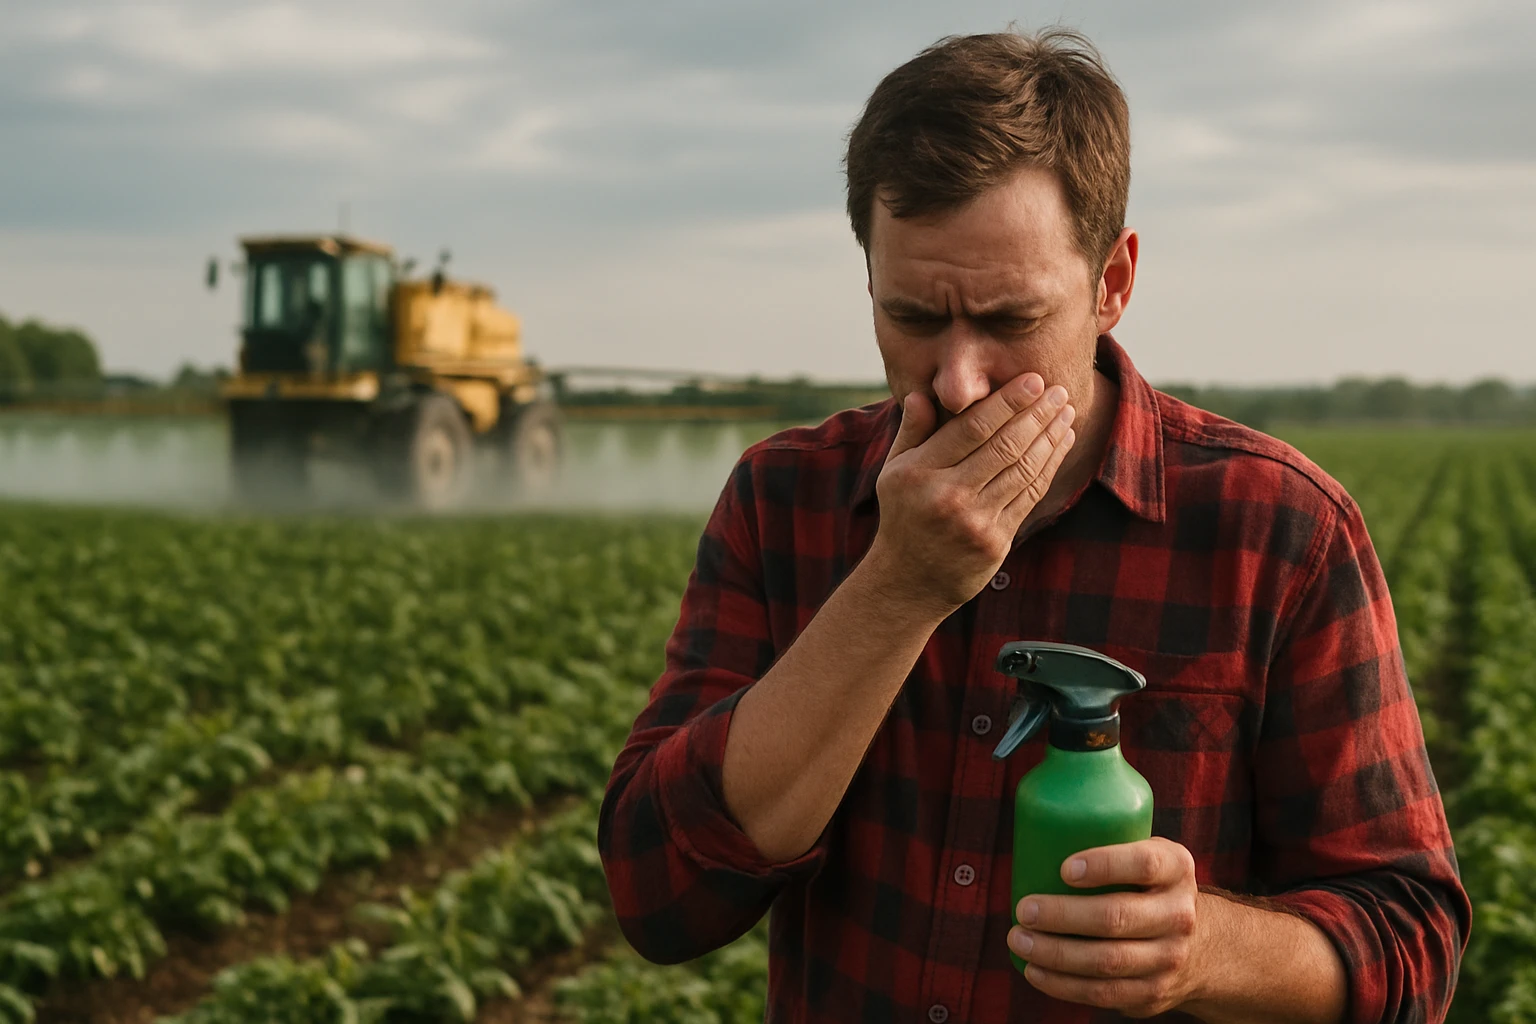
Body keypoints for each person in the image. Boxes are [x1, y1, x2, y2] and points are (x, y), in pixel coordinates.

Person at [598, 28, 1470, 1024]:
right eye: (914, 317)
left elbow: (1413, 947)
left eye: (1011, 319)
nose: (959, 378)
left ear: (1113, 283)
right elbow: (658, 894)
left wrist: (1209, 948)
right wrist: (896, 589)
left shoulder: (1278, 530)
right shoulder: (783, 497)